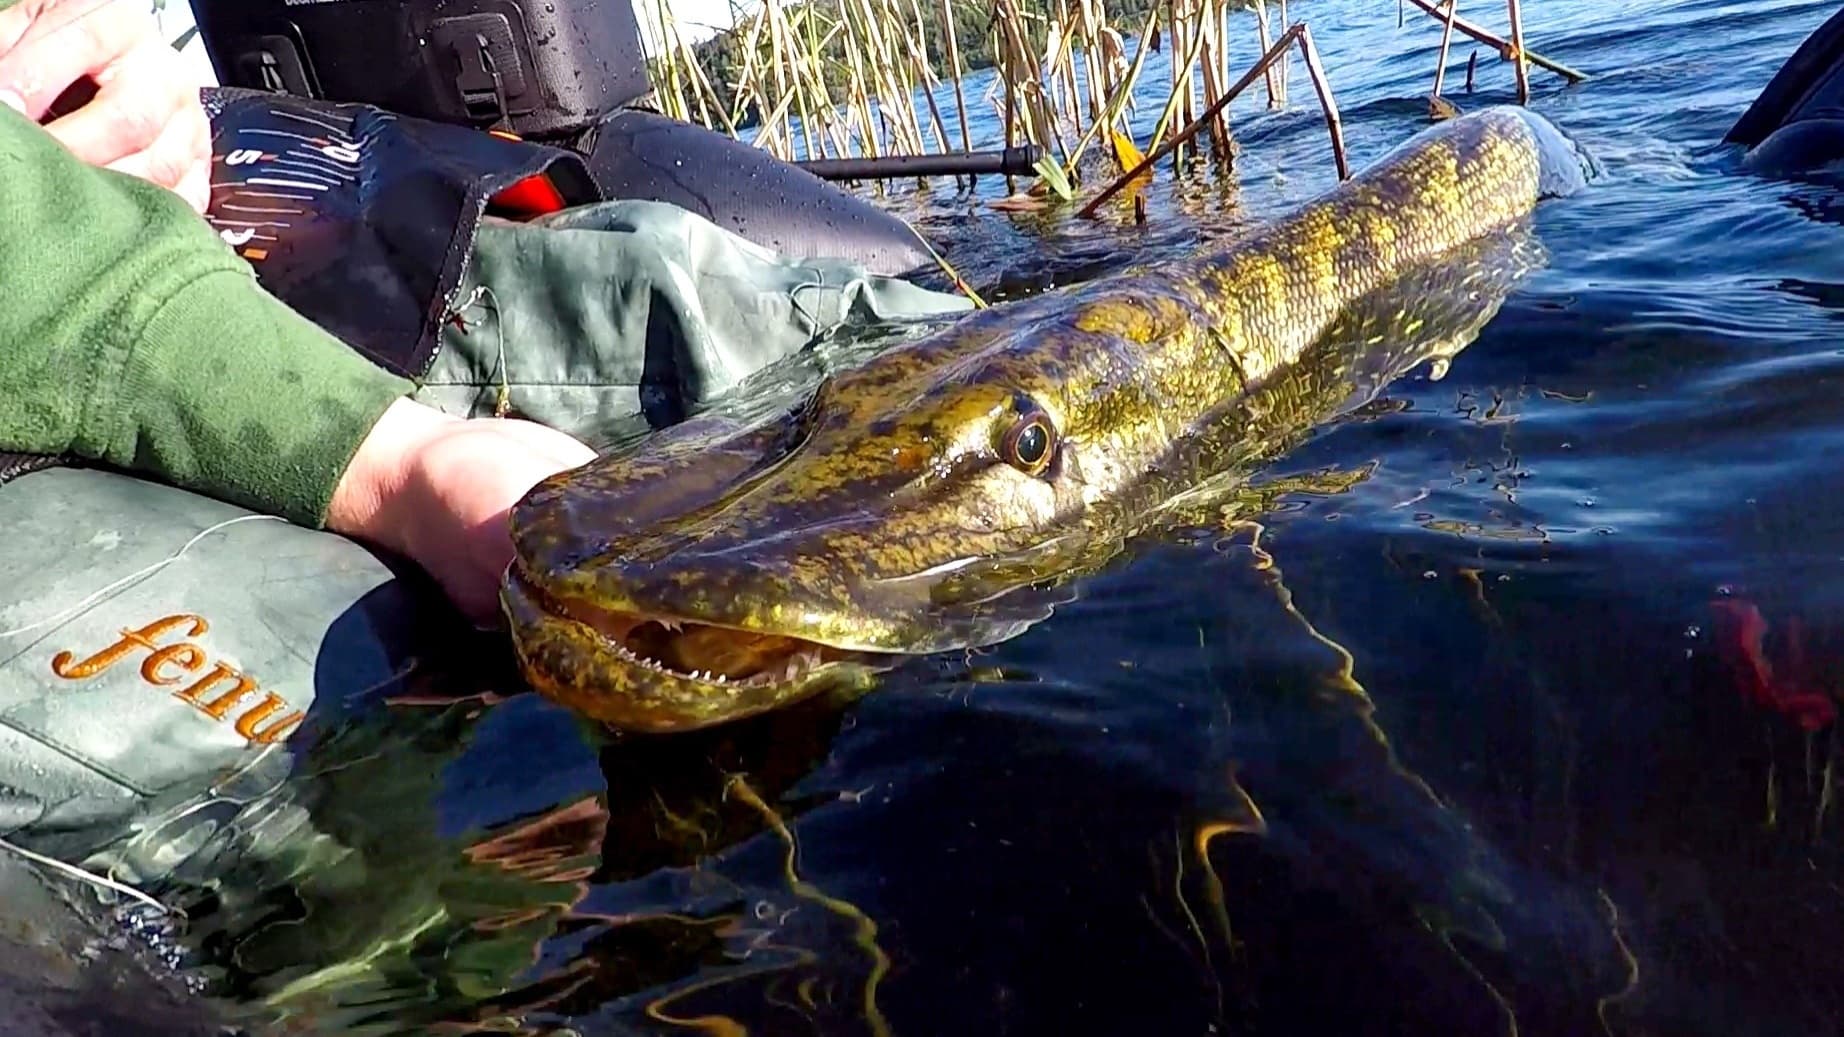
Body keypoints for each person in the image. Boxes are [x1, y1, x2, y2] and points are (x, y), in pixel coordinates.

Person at [0, 0, 597, 626]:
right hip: (105, 329)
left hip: (151, 209)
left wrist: (102, 46)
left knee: (659, 267)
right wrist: (389, 452)